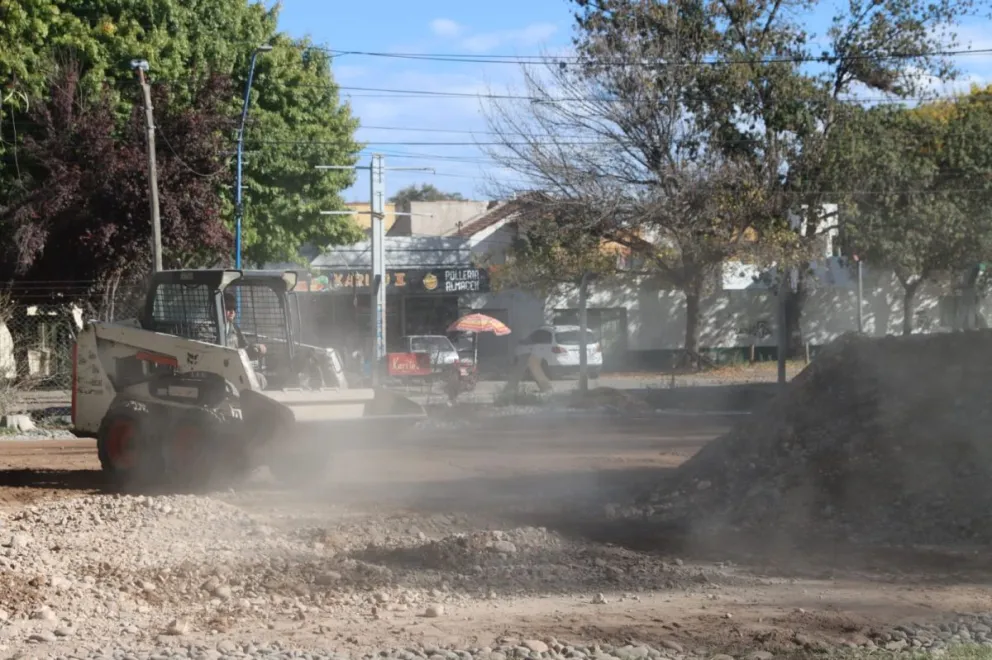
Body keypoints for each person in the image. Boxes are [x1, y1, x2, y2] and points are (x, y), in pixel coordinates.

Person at [222, 292, 267, 359]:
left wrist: (255, 348)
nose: (232, 312)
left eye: (234, 309)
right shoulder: (209, 330)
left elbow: (245, 347)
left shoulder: (235, 328)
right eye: (228, 308)